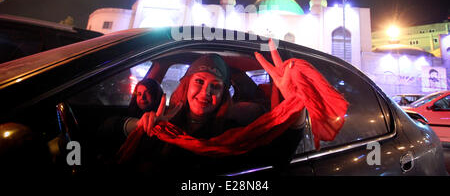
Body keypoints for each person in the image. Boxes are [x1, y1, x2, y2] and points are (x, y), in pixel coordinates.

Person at [115, 39, 348, 175]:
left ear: (224, 93)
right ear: (185, 85)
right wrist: (137, 126)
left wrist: (293, 105)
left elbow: (277, 155)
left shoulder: (235, 132)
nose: (206, 93)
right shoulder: (163, 122)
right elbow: (106, 130)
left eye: (215, 87)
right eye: (199, 82)